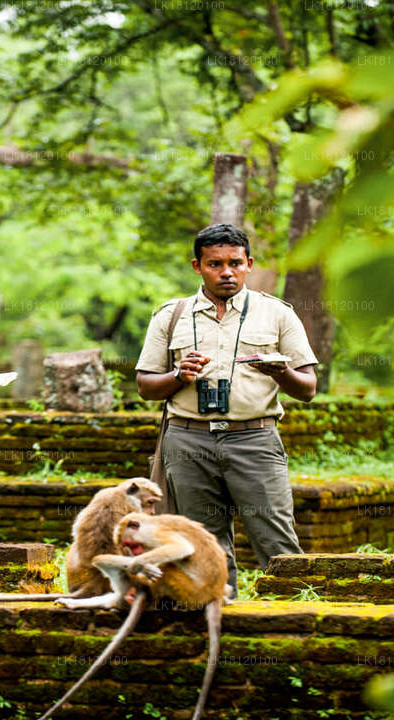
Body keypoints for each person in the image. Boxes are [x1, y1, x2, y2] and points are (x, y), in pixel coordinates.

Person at [135, 223, 319, 591]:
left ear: (249, 263)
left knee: (277, 539)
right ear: (197, 266)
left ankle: (292, 618)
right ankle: (220, 618)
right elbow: (145, 387)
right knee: (202, 544)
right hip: (188, 441)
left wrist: (280, 371)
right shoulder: (171, 315)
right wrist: (178, 376)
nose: (226, 272)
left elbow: (308, 388)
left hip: (255, 439)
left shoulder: (277, 314)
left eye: (235, 263)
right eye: (215, 264)